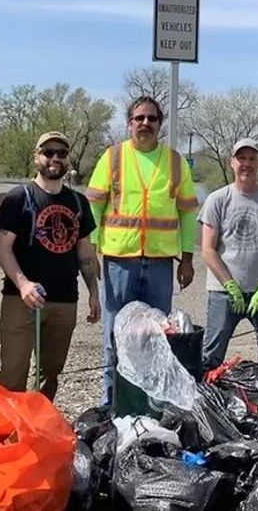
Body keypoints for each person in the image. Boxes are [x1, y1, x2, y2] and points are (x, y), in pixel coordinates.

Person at [86, 96, 198, 404]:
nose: (145, 123)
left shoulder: (175, 162)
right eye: (139, 118)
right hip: (119, 263)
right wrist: (91, 248)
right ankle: (111, 408)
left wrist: (187, 258)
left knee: (157, 338)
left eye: (151, 118)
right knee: (114, 337)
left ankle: (152, 410)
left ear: (160, 124)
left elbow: (188, 212)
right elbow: (93, 206)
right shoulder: (113, 157)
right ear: (129, 123)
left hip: (161, 264)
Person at [0, 131, 100, 400]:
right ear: (36, 158)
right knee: (12, 374)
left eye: (61, 153)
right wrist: (23, 284)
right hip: (21, 300)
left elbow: (84, 250)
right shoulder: (19, 198)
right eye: (48, 152)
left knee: (50, 374)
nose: (55, 158)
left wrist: (94, 293)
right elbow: (3, 247)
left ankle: (38, 428)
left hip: (64, 300)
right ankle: (8, 432)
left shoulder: (78, 201)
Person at [199, 138, 258, 370]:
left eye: (252, 159)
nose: (247, 164)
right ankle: (205, 400)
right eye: (242, 159)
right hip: (224, 293)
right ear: (232, 163)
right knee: (211, 356)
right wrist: (230, 285)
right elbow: (208, 250)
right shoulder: (217, 199)